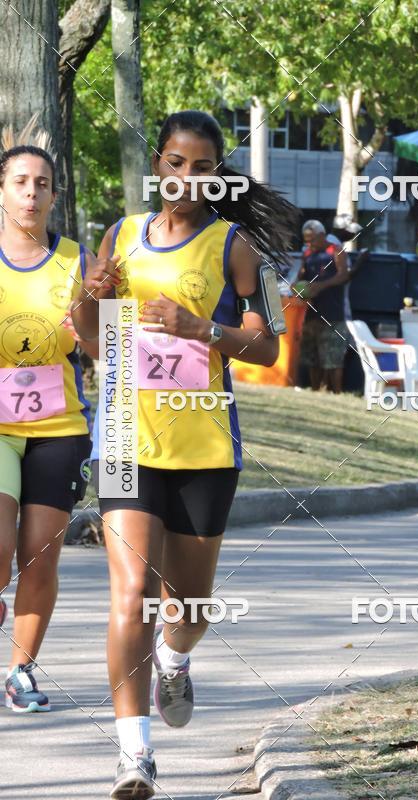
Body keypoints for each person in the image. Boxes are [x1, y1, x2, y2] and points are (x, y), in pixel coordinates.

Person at [72, 110, 299, 800]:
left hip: (203, 445)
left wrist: (200, 327)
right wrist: (90, 297)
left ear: (216, 174)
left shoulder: (234, 246)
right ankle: (134, 755)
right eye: (176, 163)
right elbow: (93, 340)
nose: (187, 178)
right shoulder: (121, 236)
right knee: (131, 595)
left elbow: (268, 348)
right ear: (158, 165)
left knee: (188, 607)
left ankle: (174, 660)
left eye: (202, 167)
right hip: (126, 438)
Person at [0, 122, 93, 712]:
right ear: (2, 191)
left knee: (38, 555)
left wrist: (90, 309)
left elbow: (105, 345)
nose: (31, 193)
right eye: (19, 182)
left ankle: (20, 673)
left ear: (55, 196)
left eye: (42, 184)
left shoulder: (77, 260)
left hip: (60, 429)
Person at [298, 219, 349, 392]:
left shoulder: (336, 250)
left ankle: (337, 393)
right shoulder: (307, 254)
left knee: (334, 361)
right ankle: (315, 392)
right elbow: (300, 277)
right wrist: (298, 287)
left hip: (333, 314)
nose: (309, 243)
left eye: (312, 239)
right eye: (306, 240)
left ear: (322, 235)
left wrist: (322, 285)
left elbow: (343, 275)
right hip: (312, 315)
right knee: (312, 359)